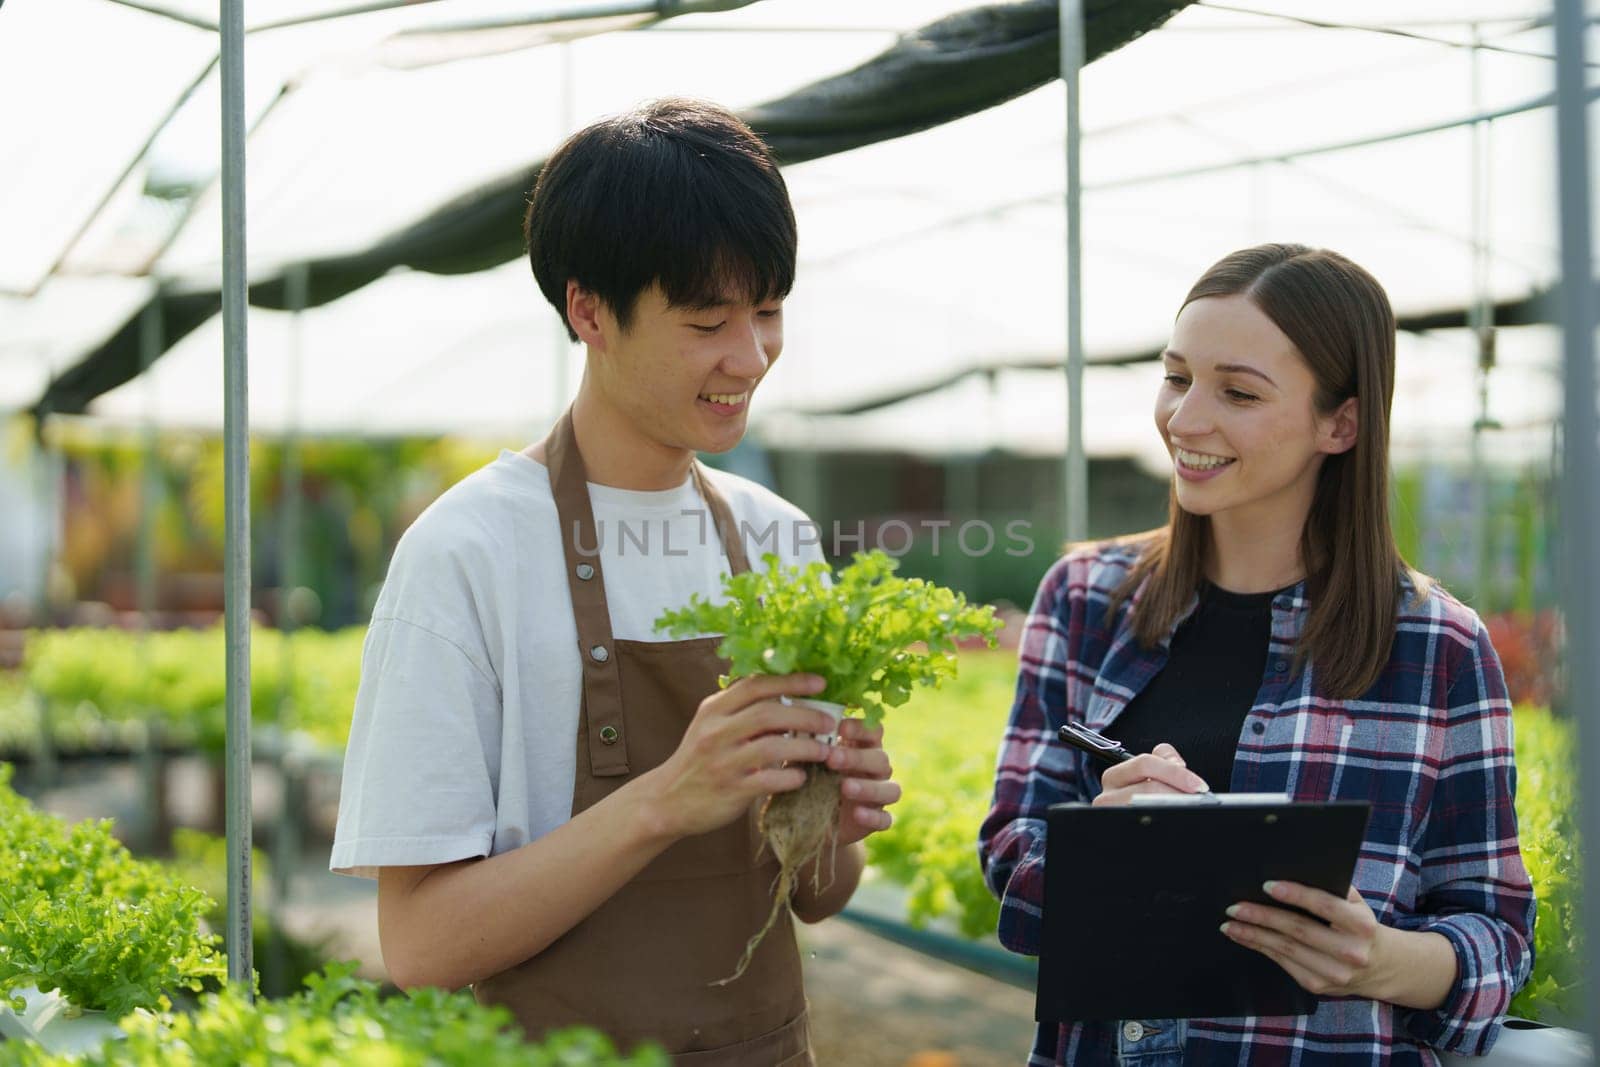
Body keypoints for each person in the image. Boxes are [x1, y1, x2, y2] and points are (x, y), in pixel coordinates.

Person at [330, 98, 901, 1064]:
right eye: (708, 320)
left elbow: (814, 897)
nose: (750, 357)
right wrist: (666, 799)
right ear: (588, 309)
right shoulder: (466, 553)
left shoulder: (778, 540)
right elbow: (420, 943)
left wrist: (833, 827)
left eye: (767, 313)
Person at [978, 244, 1533, 1065]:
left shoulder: (1437, 645)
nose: (1185, 418)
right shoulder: (1085, 598)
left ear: (1339, 423)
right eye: (1176, 377)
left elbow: (1496, 930)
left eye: (1237, 391)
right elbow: (1008, 850)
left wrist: (1383, 958)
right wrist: (1101, 844)